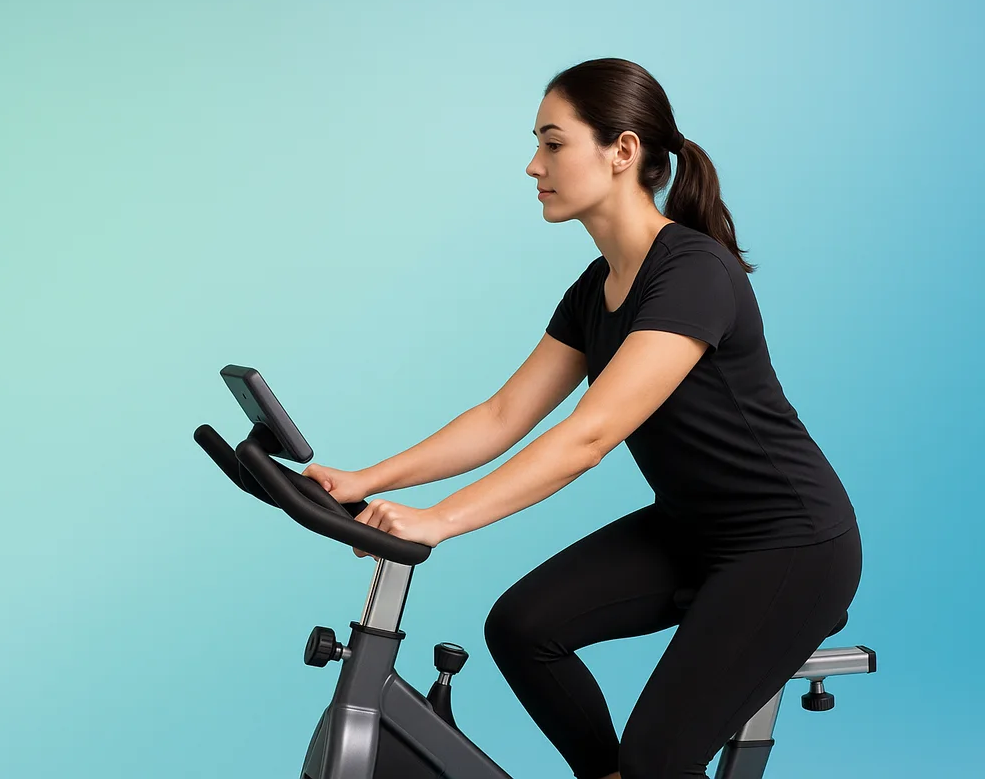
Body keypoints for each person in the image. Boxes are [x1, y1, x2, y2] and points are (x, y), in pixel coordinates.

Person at [301, 57, 862, 779]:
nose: (534, 165)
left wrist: (439, 520)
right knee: (524, 627)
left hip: (789, 545)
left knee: (659, 759)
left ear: (622, 150)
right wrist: (363, 479)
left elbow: (590, 434)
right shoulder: (596, 287)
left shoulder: (694, 271)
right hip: (692, 528)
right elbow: (503, 415)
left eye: (553, 143)